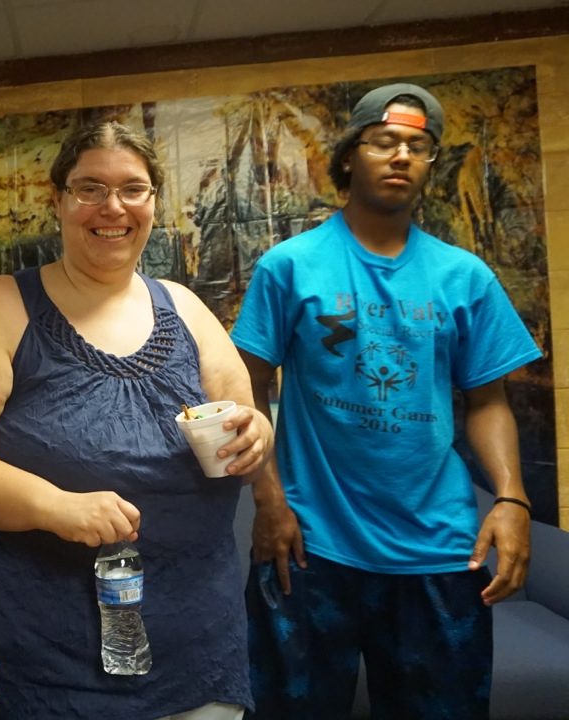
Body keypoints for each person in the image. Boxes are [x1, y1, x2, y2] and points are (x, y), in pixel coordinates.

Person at [0, 119, 273, 720]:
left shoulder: (186, 309)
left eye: (133, 188)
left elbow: (245, 420)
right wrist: (54, 505)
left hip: (192, 644)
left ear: (153, 201)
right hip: (38, 655)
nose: (113, 207)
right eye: (90, 188)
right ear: (57, 200)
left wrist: (256, 436)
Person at [230, 83, 542, 719]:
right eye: (384, 142)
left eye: (417, 147)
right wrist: (269, 500)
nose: (402, 156)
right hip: (308, 545)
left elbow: (488, 401)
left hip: (439, 549)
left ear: (430, 163)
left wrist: (512, 498)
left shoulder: (465, 277)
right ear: (350, 156)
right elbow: (246, 387)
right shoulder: (290, 267)